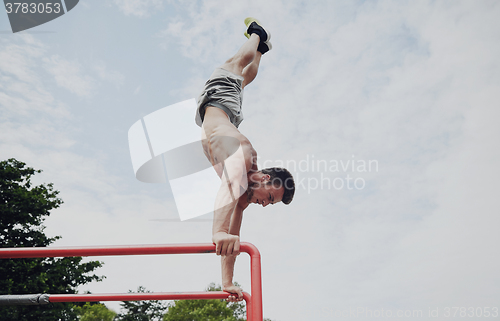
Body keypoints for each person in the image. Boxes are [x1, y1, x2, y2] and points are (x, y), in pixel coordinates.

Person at [195, 18, 295, 302]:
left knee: (245, 78)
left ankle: (262, 49)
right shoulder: (244, 163)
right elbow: (227, 186)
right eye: (269, 196)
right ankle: (256, 35)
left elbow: (233, 240)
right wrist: (217, 233)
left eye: (269, 203)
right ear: (264, 177)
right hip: (217, 100)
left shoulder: (243, 197)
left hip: (227, 114)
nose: (264, 203)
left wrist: (227, 282)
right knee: (238, 64)